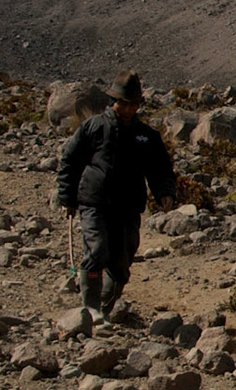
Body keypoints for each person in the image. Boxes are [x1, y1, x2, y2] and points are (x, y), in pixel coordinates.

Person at [56, 71, 176, 321]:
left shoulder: (147, 136)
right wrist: (67, 197)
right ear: (114, 101)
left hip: (128, 207)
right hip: (94, 202)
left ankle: (105, 310)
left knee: (121, 264)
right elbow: (71, 161)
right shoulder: (93, 127)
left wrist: (164, 192)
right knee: (96, 252)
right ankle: (89, 313)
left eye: (134, 104)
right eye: (124, 103)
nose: (129, 109)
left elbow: (159, 167)